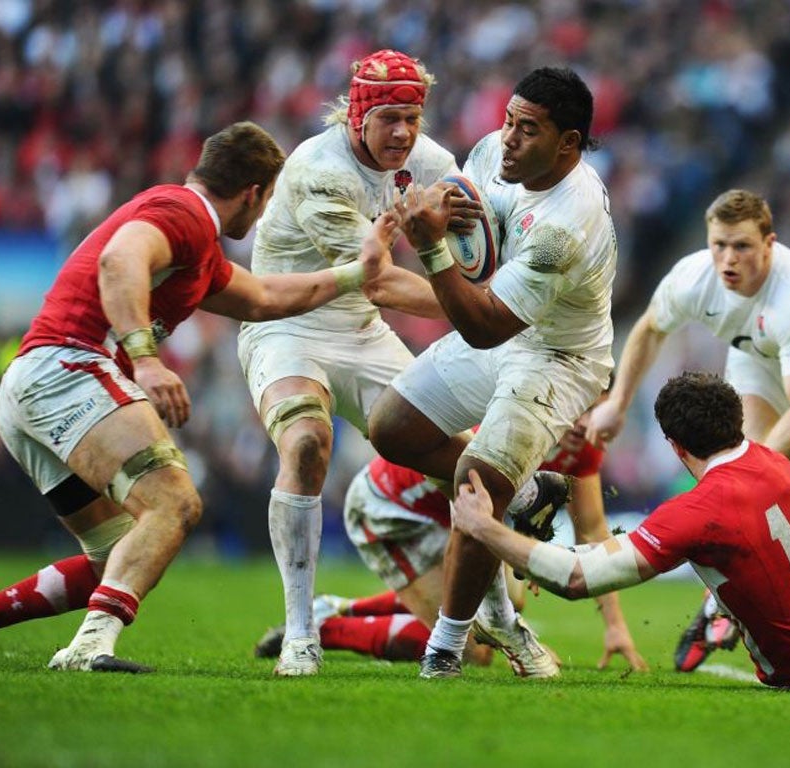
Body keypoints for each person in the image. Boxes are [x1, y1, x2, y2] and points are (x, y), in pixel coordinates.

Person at [0, 121, 397, 672]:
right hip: (71, 366)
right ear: (254, 193)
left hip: (31, 384)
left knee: (118, 555)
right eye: (267, 199)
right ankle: (89, 647)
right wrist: (147, 358)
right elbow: (119, 261)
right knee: (175, 503)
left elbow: (262, 297)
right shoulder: (183, 214)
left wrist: (359, 273)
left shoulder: (194, 242)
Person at [236, 50, 561, 677]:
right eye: (389, 119)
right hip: (289, 327)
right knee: (306, 441)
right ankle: (303, 632)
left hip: (362, 332)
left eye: (412, 117)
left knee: (469, 462)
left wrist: (495, 279)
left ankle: (500, 616)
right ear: (358, 116)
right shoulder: (315, 170)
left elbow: (475, 247)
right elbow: (377, 280)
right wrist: (484, 309)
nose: (403, 134)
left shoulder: (432, 164)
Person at [453, 371, 790, 694]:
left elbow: (580, 577)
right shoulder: (777, 461)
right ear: (736, 421)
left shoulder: (696, 511)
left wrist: (487, 529)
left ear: (675, 446)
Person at [368, 66, 618, 679]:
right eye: (508, 120)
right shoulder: (492, 151)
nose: (506, 138)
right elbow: (469, 221)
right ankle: (525, 500)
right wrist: (441, 209)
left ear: (568, 143)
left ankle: (445, 652)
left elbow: (482, 327)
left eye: (526, 130)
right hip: (509, 327)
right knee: (392, 428)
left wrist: (430, 248)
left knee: (478, 482)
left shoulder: (565, 225)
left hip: (560, 357)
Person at [585, 188, 790, 671]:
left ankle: (722, 610)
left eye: (741, 246)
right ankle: (726, 609)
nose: (727, 259)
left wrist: (747, 474)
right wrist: (616, 403)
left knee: (763, 495)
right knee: (736, 489)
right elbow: (650, 328)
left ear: (769, 244)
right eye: (719, 245)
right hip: (756, 358)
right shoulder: (696, 277)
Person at [253, 407, 647, 672]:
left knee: (508, 599)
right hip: (392, 511)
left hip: (455, 518)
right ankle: (327, 629)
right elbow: (474, 507)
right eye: (581, 408)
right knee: (475, 647)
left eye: (597, 408)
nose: (585, 423)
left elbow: (593, 528)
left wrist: (615, 625)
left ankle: (340, 609)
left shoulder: (581, 448)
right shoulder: (514, 428)